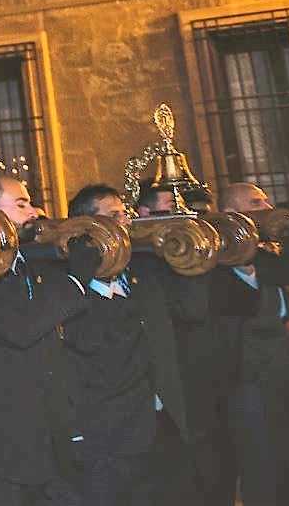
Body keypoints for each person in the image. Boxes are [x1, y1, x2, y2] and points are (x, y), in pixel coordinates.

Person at [61, 184, 203, 506]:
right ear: (88, 227)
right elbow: (83, 342)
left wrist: (191, 256)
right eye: (114, 216)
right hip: (107, 434)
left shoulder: (145, 270)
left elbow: (193, 311)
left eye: (124, 214)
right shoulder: (68, 285)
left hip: (160, 421)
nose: (125, 222)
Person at [0, 176, 95, 506]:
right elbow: (23, 328)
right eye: (20, 204)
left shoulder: (31, 261)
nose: (35, 211)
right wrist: (76, 279)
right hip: (2, 449)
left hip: (50, 442)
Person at [206, 182, 289, 505]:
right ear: (230, 215)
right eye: (256, 203)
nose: (267, 209)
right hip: (247, 383)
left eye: (267, 201)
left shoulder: (267, 258)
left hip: (283, 376)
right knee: (263, 468)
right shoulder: (212, 268)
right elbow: (239, 310)